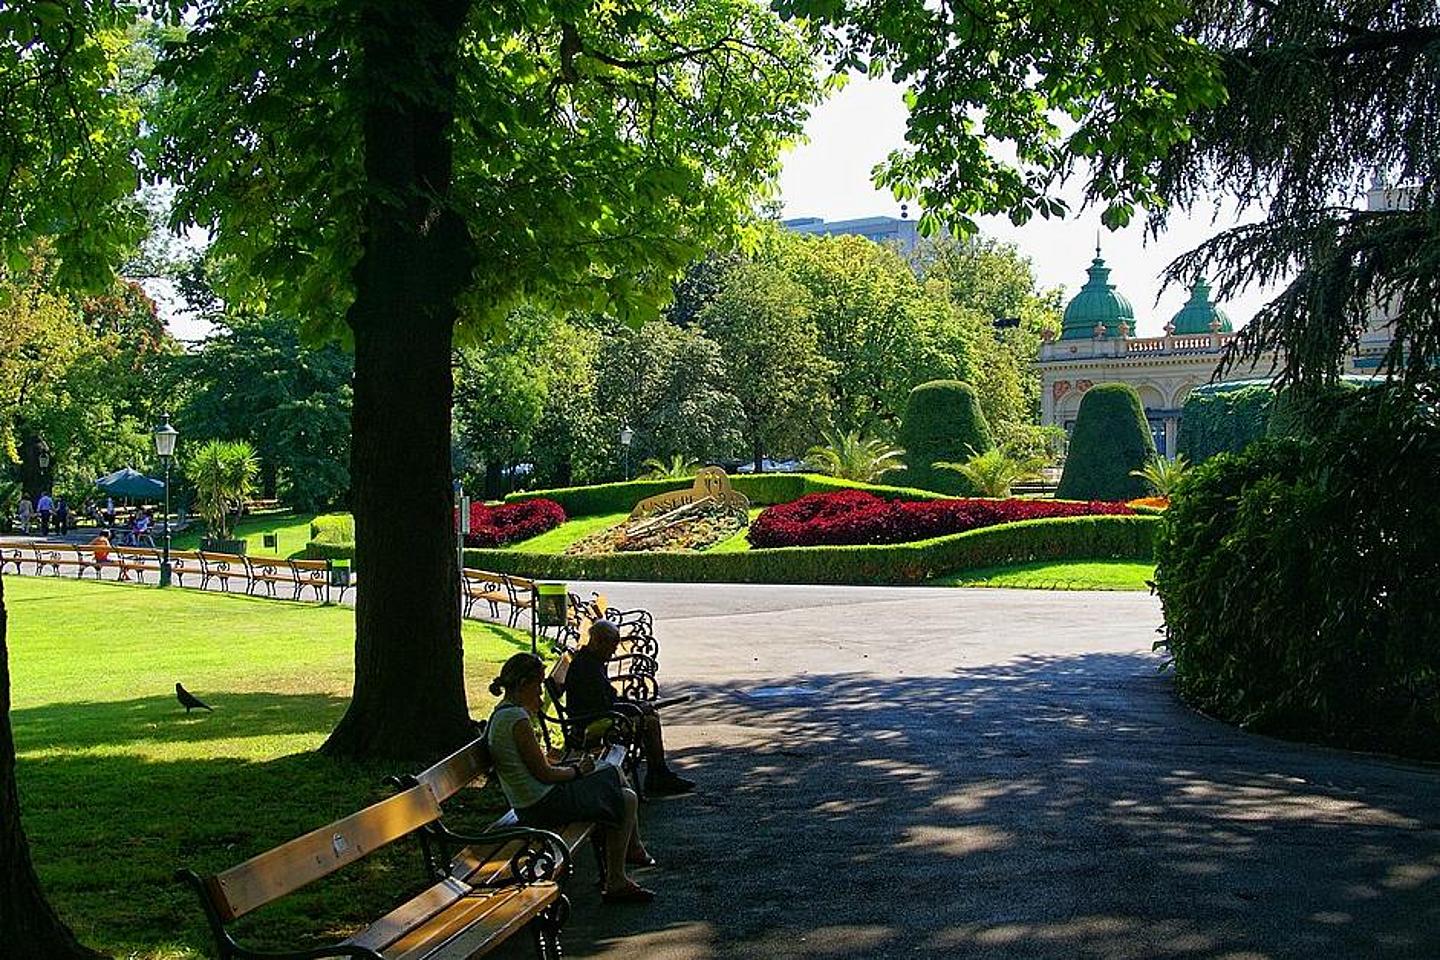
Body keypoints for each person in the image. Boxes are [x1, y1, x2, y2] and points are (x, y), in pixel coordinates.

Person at [486, 653, 656, 903]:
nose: (540, 696)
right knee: (617, 783)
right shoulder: (516, 719)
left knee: (621, 789)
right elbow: (543, 773)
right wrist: (577, 771)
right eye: (537, 687)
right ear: (523, 684)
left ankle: (621, 869)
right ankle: (621, 870)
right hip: (541, 805)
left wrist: (574, 768)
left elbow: (536, 765)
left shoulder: (502, 713)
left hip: (536, 800)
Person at [567, 620, 695, 796]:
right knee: (649, 721)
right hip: (588, 725)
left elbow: (607, 700)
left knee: (650, 715)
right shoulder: (586, 667)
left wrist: (636, 705)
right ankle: (657, 776)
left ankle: (658, 774)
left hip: (596, 715)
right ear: (598, 642)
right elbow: (603, 706)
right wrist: (636, 708)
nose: (612, 654)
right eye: (611, 648)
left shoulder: (591, 661)